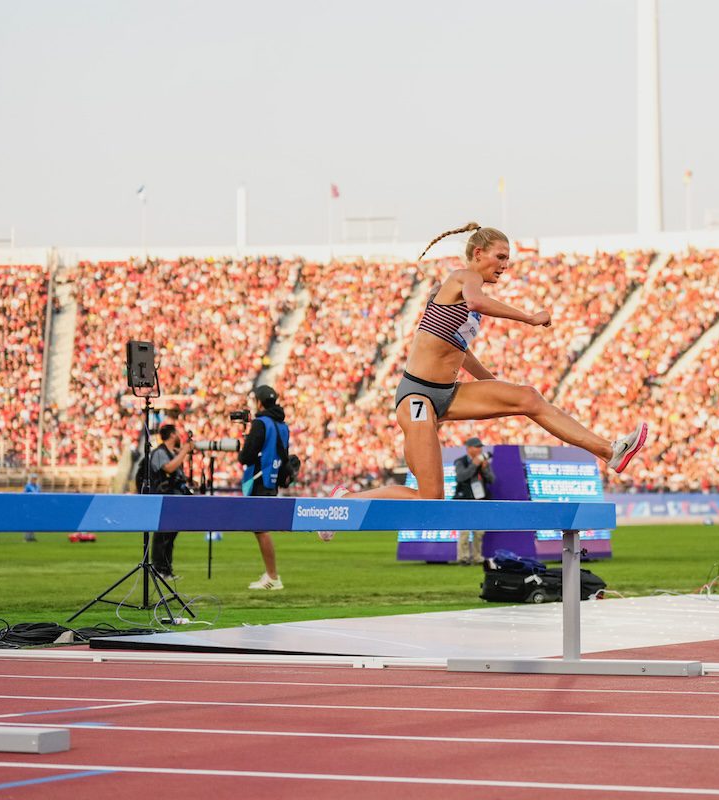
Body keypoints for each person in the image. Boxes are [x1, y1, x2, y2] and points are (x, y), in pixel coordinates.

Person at [325, 223, 648, 513]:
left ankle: (610, 451)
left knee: (528, 397)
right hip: (417, 398)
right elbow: (478, 302)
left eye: (508, 259)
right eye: (501, 257)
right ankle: (346, 501)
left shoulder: (468, 302)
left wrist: (495, 386)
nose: (505, 265)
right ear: (478, 253)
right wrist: (529, 317)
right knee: (430, 498)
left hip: (447, 394)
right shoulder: (463, 278)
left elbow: (461, 354)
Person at [238, 385, 292, 590]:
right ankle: (271, 575)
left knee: (261, 529)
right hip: (272, 479)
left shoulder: (261, 423)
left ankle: (272, 576)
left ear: (259, 402)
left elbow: (247, 456)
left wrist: (243, 448)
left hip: (259, 479)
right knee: (260, 528)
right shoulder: (282, 425)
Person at [147, 423, 194, 581]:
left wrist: (183, 451)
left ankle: (166, 570)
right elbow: (169, 468)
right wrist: (184, 452)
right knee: (162, 536)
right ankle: (158, 569)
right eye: (177, 433)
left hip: (173, 498)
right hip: (163, 499)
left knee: (170, 536)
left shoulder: (171, 452)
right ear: (172, 435)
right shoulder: (159, 452)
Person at [454, 436, 495, 564]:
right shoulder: (460, 461)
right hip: (464, 500)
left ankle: (477, 557)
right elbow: (461, 477)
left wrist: (484, 469)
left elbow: (492, 480)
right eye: (477, 447)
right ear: (469, 449)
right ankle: (463, 558)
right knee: (465, 531)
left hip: (480, 500)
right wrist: (474, 465)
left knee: (479, 532)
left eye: (480, 447)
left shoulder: (484, 461)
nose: (480, 449)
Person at [22, 474, 41, 542]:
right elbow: (24, 495)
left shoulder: (38, 487)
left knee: (33, 521)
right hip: (28, 506)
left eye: (35, 478)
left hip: (35, 506)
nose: (34, 480)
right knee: (27, 521)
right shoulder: (28, 486)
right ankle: (27, 537)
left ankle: (32, 537)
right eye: (33, 478)